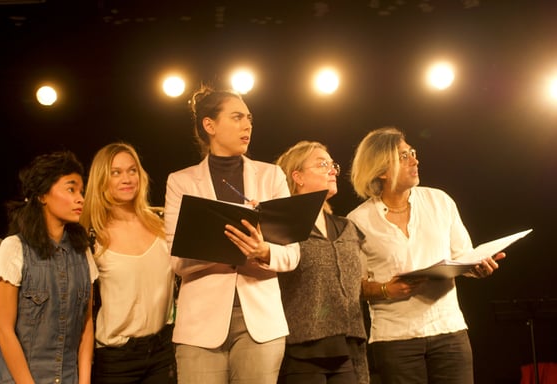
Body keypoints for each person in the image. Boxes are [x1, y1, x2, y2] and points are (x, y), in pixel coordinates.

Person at [164, 85, 300, 383]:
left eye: (249, 118)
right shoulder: (181, 181)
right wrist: (229, 246)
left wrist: (263, 250)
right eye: (237, 117)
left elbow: (291, 254)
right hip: (200, 326)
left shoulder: (271, 175)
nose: (247, 125)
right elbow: (176, 259)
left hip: (261, 322)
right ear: (209, 125)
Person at [347, 126, 505, 384]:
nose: (415, 160)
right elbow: (354, 285)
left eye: (413, 152)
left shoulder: (439, 201)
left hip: (449, 332)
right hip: (396, 340)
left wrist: (477, 267)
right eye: (404, 156)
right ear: (382, 170)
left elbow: (463, 255)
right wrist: (387, 289)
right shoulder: (358, 220)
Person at [0, 151, 97, 384]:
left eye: (81, 191)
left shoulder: (82, 252)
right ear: (42, 195)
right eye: (71, 189)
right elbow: (4, 332)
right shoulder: (14, 248)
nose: (80, 198)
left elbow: (86, 325)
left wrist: (84, 380)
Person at [275, 140, 370, 384]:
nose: (332, 170)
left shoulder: (347, 228)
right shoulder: (282, 226)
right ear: (298, 176)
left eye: (332, 164)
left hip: (346, 347)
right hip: (301, 351)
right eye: (321, 164)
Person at [80, 142, 176, 383]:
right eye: (116, 172)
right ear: (101, 179)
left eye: (132, 170)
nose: (127, 178)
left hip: (163, 351)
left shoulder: (162, 222)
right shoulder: (90, 235)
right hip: (116, 358)